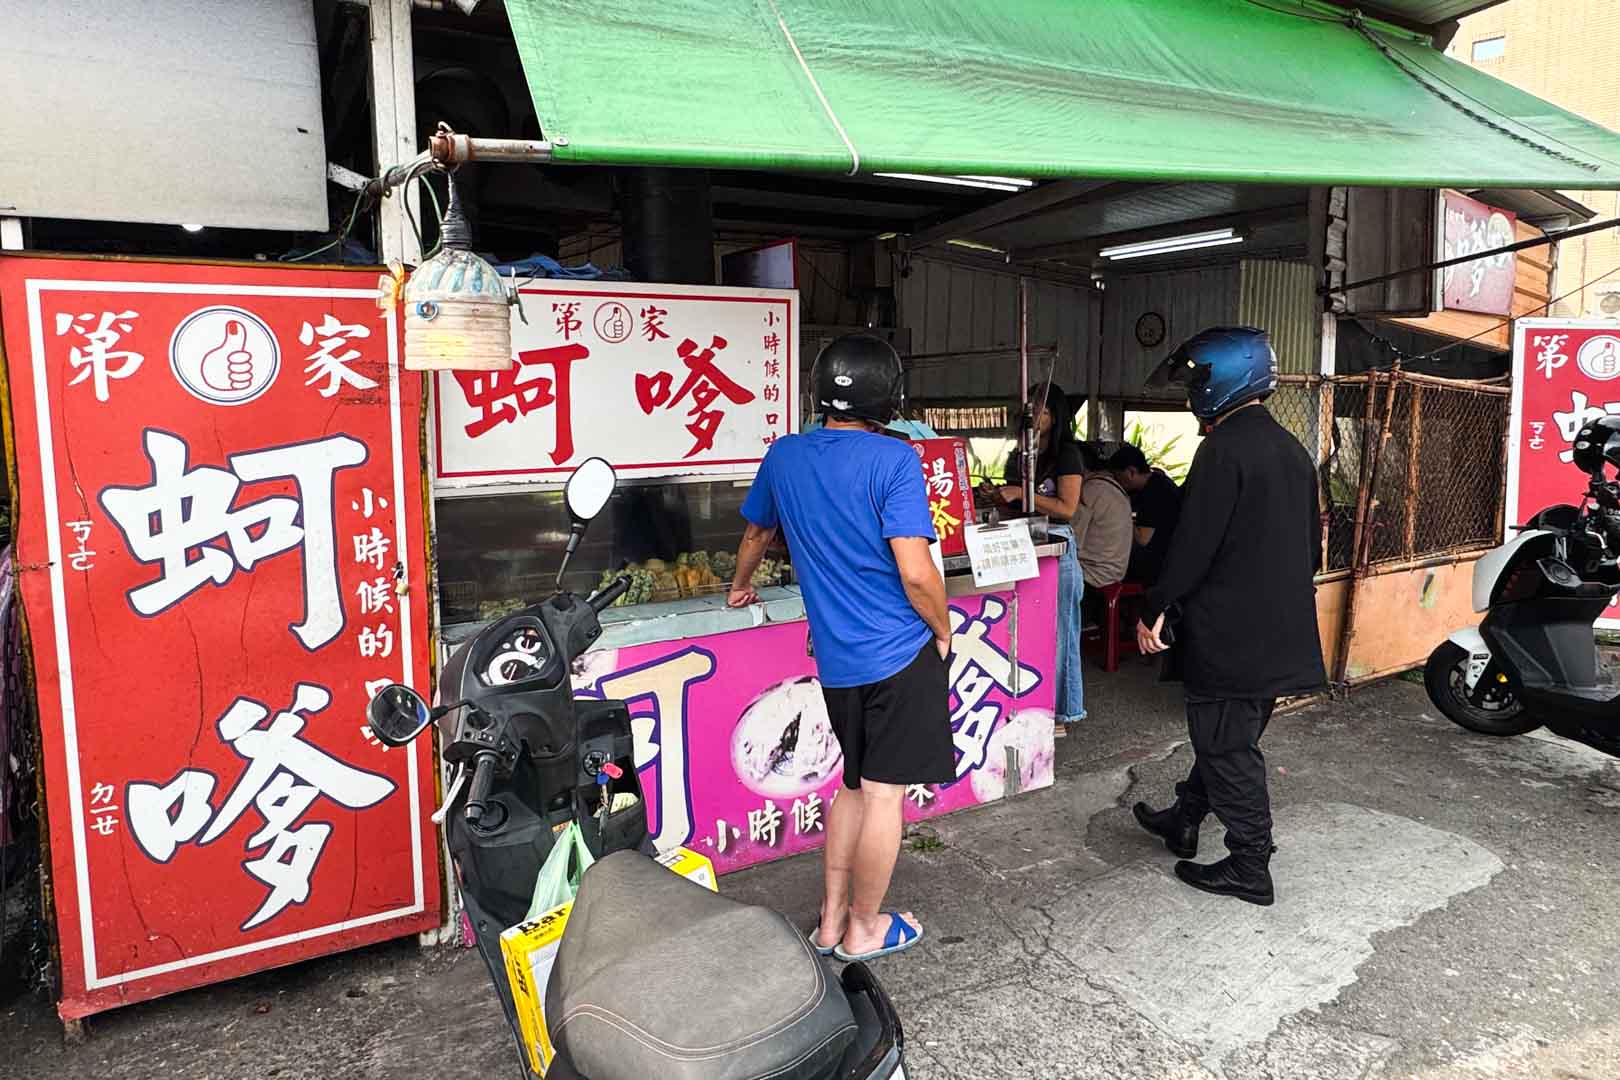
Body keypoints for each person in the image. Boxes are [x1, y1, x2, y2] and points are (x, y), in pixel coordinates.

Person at [726, 333, 952, 963]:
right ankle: (865, 928)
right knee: (885, 794)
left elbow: (754, 533)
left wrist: (740, 587)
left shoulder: (786, 456)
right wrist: (942, 629)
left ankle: (829, 923)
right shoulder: (894, 460)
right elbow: (915, 571)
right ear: (889, 396)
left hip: (836, 661)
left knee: (851, 786)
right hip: (898, 654)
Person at [1131, 326, 1326, 906]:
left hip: (1234, 635)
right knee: (1225, 737)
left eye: (1197, 381)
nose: (1192, 393)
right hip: (1281, 631)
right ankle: (1184, 819)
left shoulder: (1223, 449)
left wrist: (1154, 606)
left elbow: (1191, 547)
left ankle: (1249, 865)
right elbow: (1312, 550)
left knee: (1226, 747)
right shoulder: (1292, 451)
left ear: (1224, 379)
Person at [993, 383, 1086, 730]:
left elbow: (1068, 508)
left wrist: (1022, 492)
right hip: (1021, 544)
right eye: (1032, 408)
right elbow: (1016, 502)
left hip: (1056, 546)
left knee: (1060, 633)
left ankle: (1063, 711)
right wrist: (1002, 496)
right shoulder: (1021, 453)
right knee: (1025, 630)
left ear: (1057, 415)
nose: (1035, 415)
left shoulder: (1067, 454)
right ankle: (1029, 705)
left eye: (1044, 410)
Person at [1110, 443, 1184, 586]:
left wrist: (1121, 512)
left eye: (1118, 477)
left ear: (1131, 472)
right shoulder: (1157, 480)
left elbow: (1143, 538)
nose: (1117, 483)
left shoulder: (1154, 492)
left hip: (1157, 564)